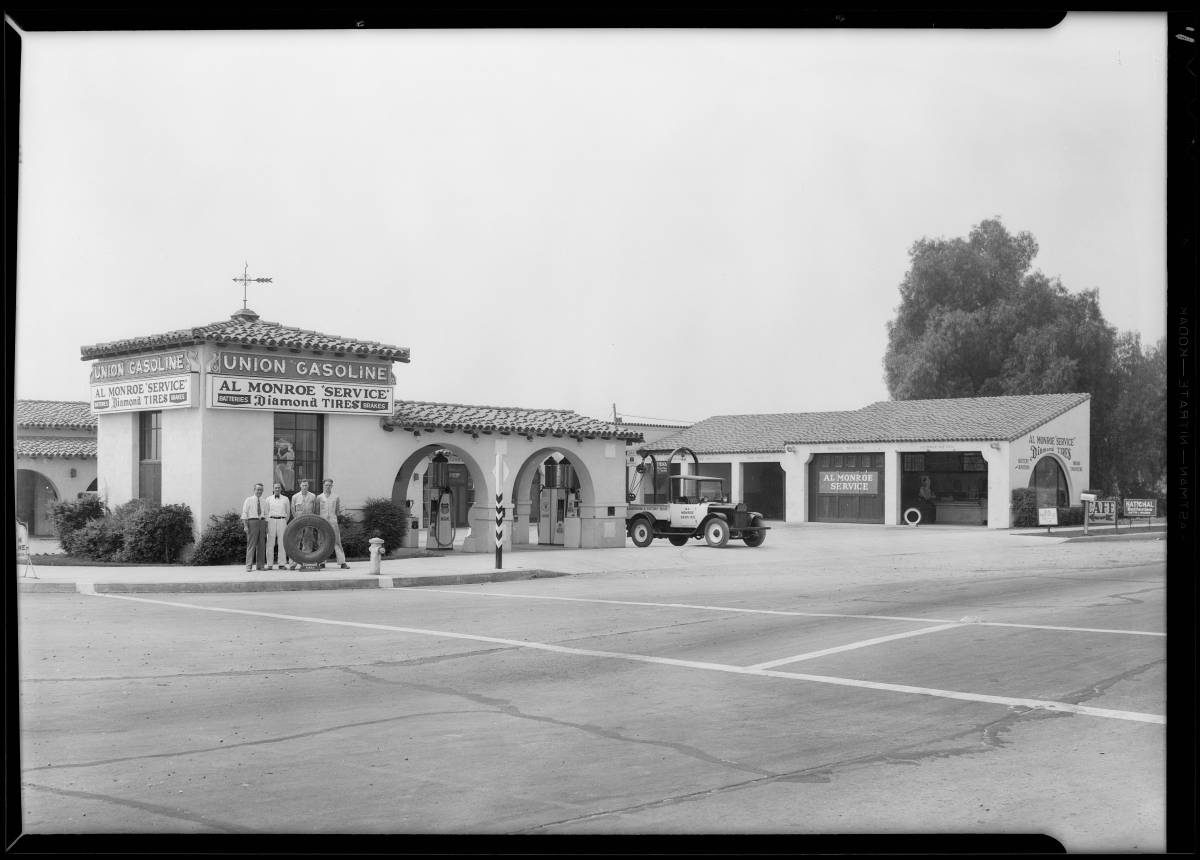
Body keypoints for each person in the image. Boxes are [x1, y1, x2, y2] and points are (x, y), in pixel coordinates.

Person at [316, 478, 348, 569]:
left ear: (332, 486)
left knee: (337, 541)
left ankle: (342, 562)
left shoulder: (336, 497)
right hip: (322, 522)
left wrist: (335, 518)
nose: (328, 487)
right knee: (322, 541)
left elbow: (337, 511)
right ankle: (321, 562)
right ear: (323, 486)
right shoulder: (319, 497)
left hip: (333, 522)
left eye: (330, 485)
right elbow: (317, 511)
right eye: (326, 485)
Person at [288, 478, 318, 570]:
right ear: (300, 486)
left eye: (306, 485)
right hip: (298, 521)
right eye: (303, 485)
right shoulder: (295, 497)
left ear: (308, 486)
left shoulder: (313, 496)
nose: (304, 487)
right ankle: (293, 563)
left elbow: (314, 509)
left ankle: (305, 562)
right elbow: (293, 510)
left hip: (309, 521)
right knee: (296, 541)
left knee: (308, 541)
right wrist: (296, 519)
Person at [240, 482, 269, 572]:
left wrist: (266, 527)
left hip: (262, 522)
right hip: (252, 522)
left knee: (261, 545)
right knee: (251, 544)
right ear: (254, 490)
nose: (259, 491)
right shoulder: (248, 500)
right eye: (258, 489)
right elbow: (244, 513)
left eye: (261, 490)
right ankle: (248, 566)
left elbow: (266, 515)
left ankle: (260, 566)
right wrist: (245, 526)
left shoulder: (264, 501)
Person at [264, 482, 292, 570]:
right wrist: (267, 523)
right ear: (273, 489)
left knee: (282, 543)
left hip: (282, 521)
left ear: (281, 489)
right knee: (270, 543)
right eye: (275, 487)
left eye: (279, 487)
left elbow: (288, 512)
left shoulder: (285, 499)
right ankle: (269, 564)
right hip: (271, 521)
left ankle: (282, 564)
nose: (277, 489)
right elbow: (266, 512)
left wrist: (283, 521)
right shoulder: (268, 499)